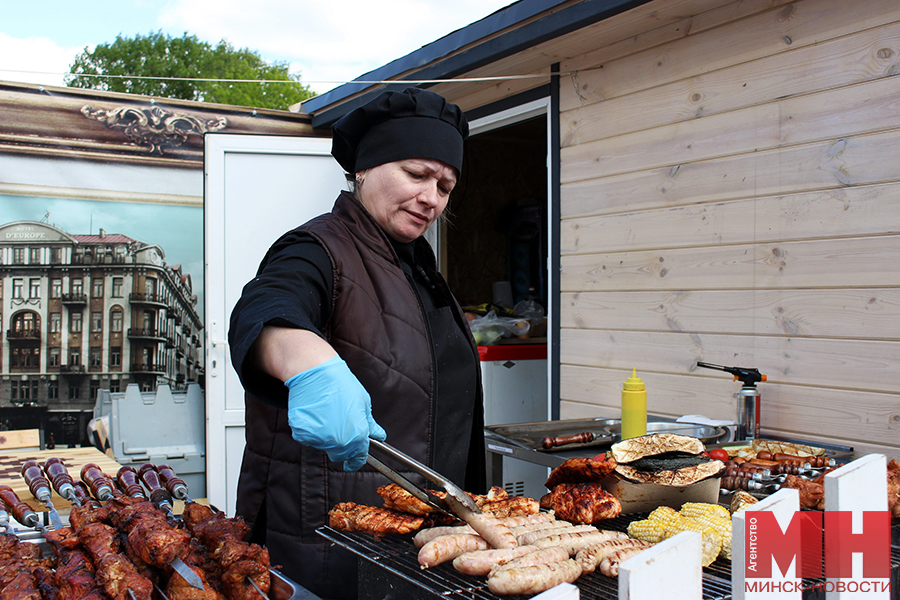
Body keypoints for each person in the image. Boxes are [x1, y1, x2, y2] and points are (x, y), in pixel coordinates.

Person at [228, 87, 485, 600]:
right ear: (364, 169)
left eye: (445, 185)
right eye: (416, 175)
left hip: (423, 536)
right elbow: (268, 305)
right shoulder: (318, 247)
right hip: (331, 542)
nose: (432, 198)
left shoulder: (417, 266)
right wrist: (311, 366)